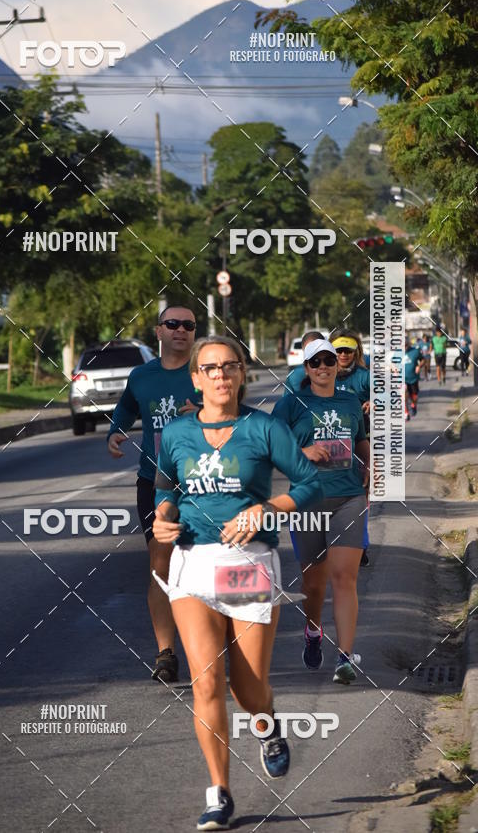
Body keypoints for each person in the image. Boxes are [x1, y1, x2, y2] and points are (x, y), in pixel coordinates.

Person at [153, 336, 322, 830]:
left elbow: (310, 483)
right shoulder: (177, 432)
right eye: (210, 368)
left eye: (230, 366)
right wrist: (163, 521)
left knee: (248, 690)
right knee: (206, 682)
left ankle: (267, 724)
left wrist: (267, 508)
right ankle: (219, 794)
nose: (220, 375)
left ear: (242, 373)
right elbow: (167, 493)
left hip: (249, 563)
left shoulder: (264, 428)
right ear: (196, 378)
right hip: (193, 563)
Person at [107, 306, 199, 683]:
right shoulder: (142, 375)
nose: (181, 330)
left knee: (200, 565)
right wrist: (116, 429)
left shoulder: (205, 373)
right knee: (160, 567)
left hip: (202, 485)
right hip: (155, 482)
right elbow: (128, 406)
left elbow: (236, 416)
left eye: (189, 325)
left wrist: (207, 409)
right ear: (158, 332)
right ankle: (166, 654)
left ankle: (205, 645)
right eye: (172, 324)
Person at [272, 339, 370, 686]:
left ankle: (344, 657)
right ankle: (313, 631)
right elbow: (271, 446)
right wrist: (303, 451)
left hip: (349, 497)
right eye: (316, 362)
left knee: (345, 578)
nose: (324, 367)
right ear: (307, 367)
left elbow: (361, 439)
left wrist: (370, 468)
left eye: (329, 360)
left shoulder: (350, 401)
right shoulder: (291, 404)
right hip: (308, 500)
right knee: (314, 584)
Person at [330, 329, 371, 567]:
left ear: (356, 352)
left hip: (362, 440)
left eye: (348, 350)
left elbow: (392, 393)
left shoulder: (364, 377)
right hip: (331, 444)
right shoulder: (324, 374)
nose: (343, 354)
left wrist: (376, 400)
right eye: (339, 350)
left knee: (360, 496)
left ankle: (360, 545)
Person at [404, 338, 423, 420]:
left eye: (405, 345)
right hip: (402, 379)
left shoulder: (415, 351)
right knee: (404, 395)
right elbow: (392, 363)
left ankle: (413, 405)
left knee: (414, 395)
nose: (404, 347)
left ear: (408, 344)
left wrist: (419, 366)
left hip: (413, 378)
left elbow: (423, 360)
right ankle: (406, 413)